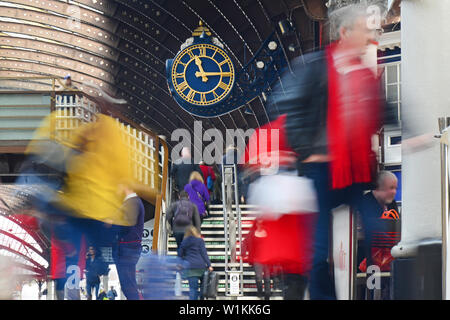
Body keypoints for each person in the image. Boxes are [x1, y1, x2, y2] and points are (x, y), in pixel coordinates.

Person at [266, 4, 396, 300]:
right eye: (363, 28)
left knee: (379, 228)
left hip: (354, 170)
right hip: (321, 170)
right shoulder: (314, 66)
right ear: (345, 32)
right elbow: (283, 103)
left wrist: (411, 133)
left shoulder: (364, 73)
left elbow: (383, 108)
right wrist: (306, 149)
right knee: (317, 250)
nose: (368, 34)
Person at [358, 171, 400, 300]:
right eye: (390, 188)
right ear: (379, 188)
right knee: (373, 289)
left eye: (395, 188)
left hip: (387, 256)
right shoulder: (366, 202)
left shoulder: (391, 203)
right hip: (368, 256)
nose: (394, 192)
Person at [112, 184, 145, 300]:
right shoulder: (132, 202)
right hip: (128, 247)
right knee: (129, 285)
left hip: (126, 247)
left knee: (128, 286)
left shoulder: (132, 202)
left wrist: (112, 222)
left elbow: (127, 224)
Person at [178, 225, 213, 300]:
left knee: (193, 289)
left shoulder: (184, 242)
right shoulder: (200, 241)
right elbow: (204, 253)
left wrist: (180, 264)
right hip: (201, 266)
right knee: (203, 288)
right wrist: (209, 265)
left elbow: (180, 254)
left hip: (190, 267)